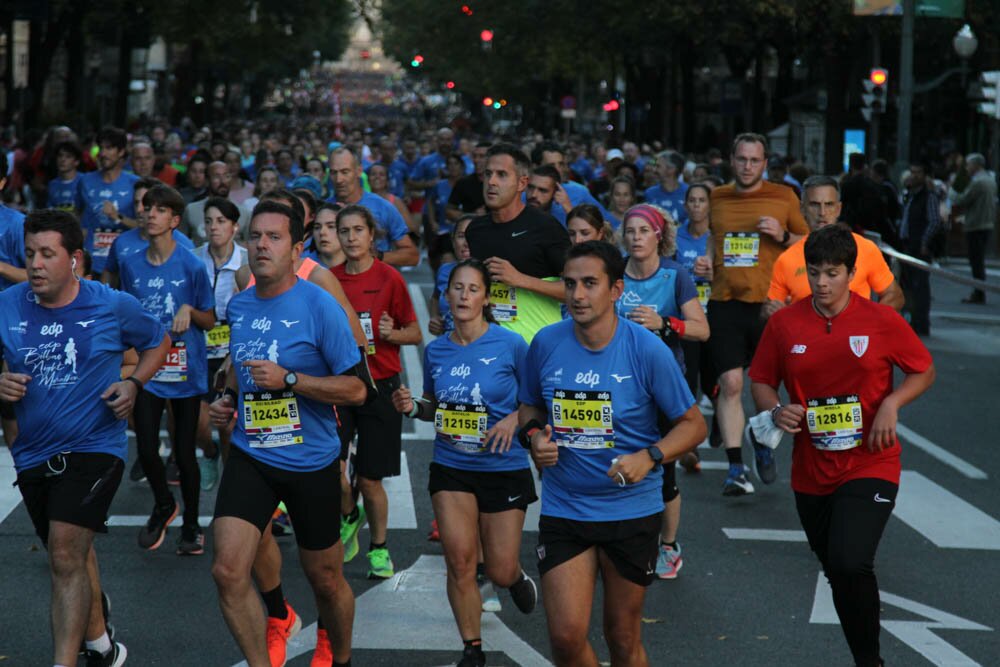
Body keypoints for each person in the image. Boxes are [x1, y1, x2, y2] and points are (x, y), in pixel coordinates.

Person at [748, 223, 935, 667]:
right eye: (814, 273)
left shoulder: (881, 320)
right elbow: (760, 380)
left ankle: (869, 662)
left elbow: (924, 369)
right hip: (811, 470)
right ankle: (865, 657)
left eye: (832, 273)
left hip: (872, 460)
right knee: (837, 571)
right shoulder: (784, 323)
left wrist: (892, 402)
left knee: (851, 562)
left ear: (852, 273)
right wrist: (777, 411)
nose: (822, 283)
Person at [518, 241, 706, 667]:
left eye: (589, 284)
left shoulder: (646, 349)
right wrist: (533, 437)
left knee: (622, 638)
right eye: (570, 284)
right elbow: (528, 406)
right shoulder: (546, 343)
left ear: (616, 289)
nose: (577, 295)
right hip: (566, 507)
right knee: (565, 638)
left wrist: (651, 456)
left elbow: (695, 426)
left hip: (631, 509)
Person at [0, 209, 170, 667]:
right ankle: (100, 643)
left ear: (74, 258)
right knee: (70, 555)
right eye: (30, 253)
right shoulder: (8, 304)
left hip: (96, 446)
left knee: (63, 550)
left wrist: (134, 385)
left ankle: (65, 661)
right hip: (33, 451)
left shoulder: (111, 304)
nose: (35, 264)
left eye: (47, 254)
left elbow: (159, 341)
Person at [209, 200, 365, 667]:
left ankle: (341, 659)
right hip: (252, 455)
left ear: (298, 249)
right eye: (255, 236)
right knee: (226, 571)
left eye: (274, 237)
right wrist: (229, 399)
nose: (261, 245)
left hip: (309, 462)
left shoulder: (320, 306)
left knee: (326, 581)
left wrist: (292, 380)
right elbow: (242, 366)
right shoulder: (239, 304)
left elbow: (358, 389)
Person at [391, 259, 538, 667]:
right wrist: (412, 405)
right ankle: (472, 650)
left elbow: (535, 400)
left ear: (486, 298)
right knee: (459, 560)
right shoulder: (436, 350)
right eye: (457, 288)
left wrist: (512, 418)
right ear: (446, 295)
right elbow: (432, 406)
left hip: (501, 465)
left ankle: (514, 578)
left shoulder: (510, 345)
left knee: (500, 566)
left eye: (473, 289)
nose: (464, 296)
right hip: (452, 464)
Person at [707, 133, 809, 496]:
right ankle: (735, 466)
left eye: (755, 160)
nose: (747, 166)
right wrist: (707, 264)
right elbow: (712, 238)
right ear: (730, 160)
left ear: (765, 163)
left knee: (768, 388)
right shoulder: (717, 197)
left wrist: (783, 235)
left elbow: (811, 242)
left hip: (770, 307)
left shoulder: (784, 197)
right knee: (731, 383)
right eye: (741, 159)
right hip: (725, 301)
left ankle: (762, 435)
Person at [119, 185, 215, 555]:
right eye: (146, 208)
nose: (150, 214)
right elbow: (127, 315)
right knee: (144, 447)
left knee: (185, 452)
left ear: (175, 220)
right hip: (148, 368)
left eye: (159, 210)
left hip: (185, 369)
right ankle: (164, 504)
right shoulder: (131, 264)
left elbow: (210, 318)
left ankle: (191, 524)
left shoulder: (191, 264)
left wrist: (190, 311)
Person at [618, 205, 709, 580]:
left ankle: (668, 545)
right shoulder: (614, 275)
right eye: (630, 231)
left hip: (663, 384)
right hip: (619, 383)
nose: (636, 237)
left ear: (659, 236)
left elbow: (701, 330)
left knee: (662, 470)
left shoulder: (675, 275)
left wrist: (664, 323)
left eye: (644, 230)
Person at [333, 204, 422, 580]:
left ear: (372, 236)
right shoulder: (328, 280)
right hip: (338, 384)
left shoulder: (390, 279)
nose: (351, 238)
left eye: (358, 230)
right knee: (331, 471)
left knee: (370, 478)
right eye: (345, 231)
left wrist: (391, 334)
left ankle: (379, 549)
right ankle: (349, 513)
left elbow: (415, 333)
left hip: (380, 386)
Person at [465, 144, 570, 343]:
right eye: (488, 174)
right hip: (490, 346)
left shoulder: (545, 227)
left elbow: (576, 291)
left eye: (502, 174)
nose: (492, 182)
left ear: (522, 183)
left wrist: (520, 279)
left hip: (535, 346)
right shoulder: (476, 230)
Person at [765, 175, 903, 317]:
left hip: (855, 337)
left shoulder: (865, 249)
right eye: (815, 204)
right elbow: (770, 309)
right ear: (802, 209)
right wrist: (773, 312)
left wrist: (869, 324)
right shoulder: (786, 260)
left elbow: (894, 295)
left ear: (838, 209)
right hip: (808, 338)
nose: (822, 213)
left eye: (829, 204)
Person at [193, 197, 248, 491]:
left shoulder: (248, 261)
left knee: (227, 425)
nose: (214, 227)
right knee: (198, 425)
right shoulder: (192, 258)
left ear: (235, 227)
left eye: (221, 221)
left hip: (231, 351)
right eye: (210, 221)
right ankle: (209, 452)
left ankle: (231, 486)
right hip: (198, 349)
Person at [328, 147, 419, 267]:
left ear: (359, 171)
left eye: (345, 172)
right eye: (334, 172)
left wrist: (377, 256)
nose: (339, 180)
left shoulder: (383, 207)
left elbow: (412, 256)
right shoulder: (324, 209)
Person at [101, 177, 195, 288]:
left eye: (146, 204)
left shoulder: (184, 245)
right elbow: (109, 273)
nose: (139, 209)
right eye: (136, 203)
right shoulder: (121, 242)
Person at [76, 127, 141, 275]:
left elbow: (143, 225)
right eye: (101, 148)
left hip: (124, 262)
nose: (103, 153)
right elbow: (79, 217)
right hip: (91, 264)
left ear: (121, 152)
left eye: (109, 148)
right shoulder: (85, 181)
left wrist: (117, 217)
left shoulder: (135, 184)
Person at [898, 161, 941, 336]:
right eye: (912, 171)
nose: (913, 175)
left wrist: (924, 242)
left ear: (924, 176)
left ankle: (921, 323)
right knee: (907, 285)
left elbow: (934, 221)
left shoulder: (929, 196)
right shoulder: (910, 194)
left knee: (920, 286)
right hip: (907, 244)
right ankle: (910, 320)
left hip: (919, 246)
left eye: (918, 172)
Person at [949, 153, 996, 304]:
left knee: (976, 261)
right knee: (978, 260)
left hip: (976, 225)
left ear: (976, 165)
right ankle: (979, 291)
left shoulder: (978, 182)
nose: (967, 168)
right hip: (985, 223)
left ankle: (978, 292)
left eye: (969, 165)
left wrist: (952, 191)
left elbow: (962, 199)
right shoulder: (989, 179)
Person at [531, 141, 611, 226]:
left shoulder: (579, 192)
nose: (558, 170)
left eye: (561, 164)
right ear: (536, 167)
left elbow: (608, 223)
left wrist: (569, 209)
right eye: (551, 166)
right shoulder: (523, 196)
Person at [181, 161, 252, 245]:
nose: (223, 181)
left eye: (227, 176)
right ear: (207, 180)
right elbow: (181, 243)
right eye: (216, 177)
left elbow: (249, 245)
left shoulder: (244, 213)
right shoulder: (191, 210)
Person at [429, 215, 474, 336]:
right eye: (461, 236)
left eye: (473, 236)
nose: (466, 242)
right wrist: (435, 318)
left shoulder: (491, 272)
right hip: (448, 345)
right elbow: (435, 298)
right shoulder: (444, 270)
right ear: (453, 240)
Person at [426, 153, 467, 270]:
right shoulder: (439, 185)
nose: (453, 167)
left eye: (456, 164)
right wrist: (433, 221)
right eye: (450, 164)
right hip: (444, 230)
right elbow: (430, 203)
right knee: (441, 261)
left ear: (462, 166)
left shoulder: (468, 184)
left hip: (464, 232)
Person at [644, 151, 689, 225]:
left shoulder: (689, 193)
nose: (654, 170)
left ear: (671, 170)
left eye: (658, 166)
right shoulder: (649, 193)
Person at [305, 202, 347, 268]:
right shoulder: (303, 266)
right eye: (317, 227)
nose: (322, 232)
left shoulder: (359, 266)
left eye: (331, 226)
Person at [46, 140, 84, 212]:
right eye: (60, 155)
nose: (63, 159)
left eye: (68, 156)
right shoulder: (52, 184)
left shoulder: (85, 181)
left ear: (77, 162)